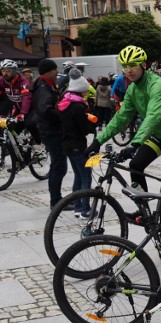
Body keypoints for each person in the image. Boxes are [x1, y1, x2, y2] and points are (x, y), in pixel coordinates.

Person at [85, 45, 161, 219]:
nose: (128, 70)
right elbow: (121, 117)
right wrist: (98, 141)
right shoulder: (132, 89)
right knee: (136, 166)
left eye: (133, 65)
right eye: (125, 66)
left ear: (144, 65)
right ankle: (145, 211)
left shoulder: (158, 85)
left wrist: (136, 143)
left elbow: (153, 115)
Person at [57, 68, 96, 218]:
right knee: (86, 176)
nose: (87, 93)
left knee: (78, 176)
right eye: (85, 91)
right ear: (80, 89)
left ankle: (78, 207)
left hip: (67, 144)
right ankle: (85, 210)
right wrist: (90, 123)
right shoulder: (78, 107)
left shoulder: (64, 102)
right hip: (77, 145)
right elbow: (84, 129)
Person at [32, 58, 67, 209]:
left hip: (52, 130)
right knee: (58, 166)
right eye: (55, 69)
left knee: (59, 165)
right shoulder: (43, 87)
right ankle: (56, 201)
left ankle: (57, 198)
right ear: (48, 71)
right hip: (51, 131)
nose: (57, 72)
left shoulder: (47, 84)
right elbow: (45, 109)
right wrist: (62, 114)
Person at [0, 59, 33, 136]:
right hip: (17, 109)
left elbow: (26, 97)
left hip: (30, 109)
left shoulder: (22, 81)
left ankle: (38, 141)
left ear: (14, 71)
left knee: (30, 124)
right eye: (3, 71)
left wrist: (23, 113)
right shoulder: (2, 81)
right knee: (11, 129)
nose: (5, 73)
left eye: (8, 71)